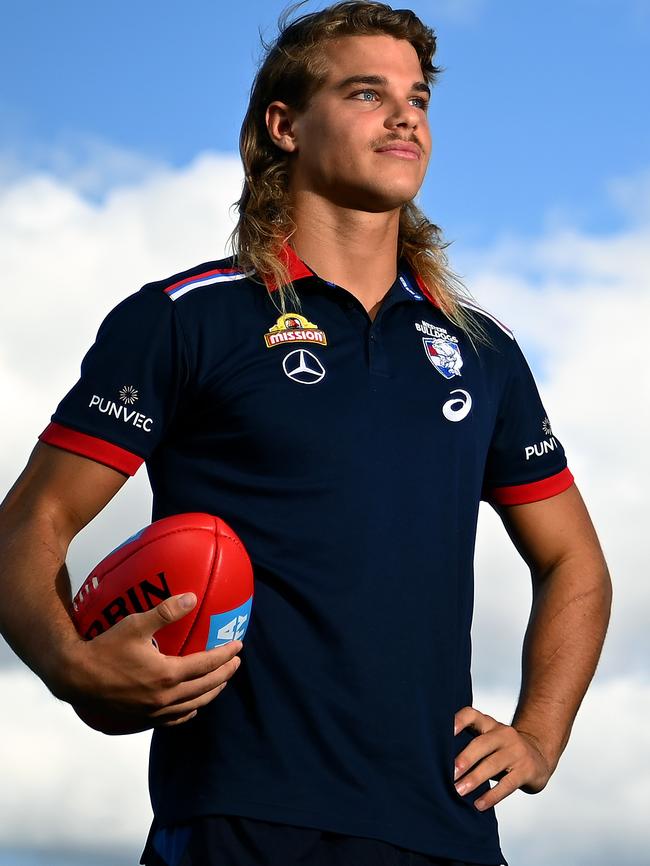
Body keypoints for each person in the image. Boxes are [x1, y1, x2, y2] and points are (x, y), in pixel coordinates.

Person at [0, 3, 612, 866]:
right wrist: (71, 665)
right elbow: (31, 523)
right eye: (368, 92)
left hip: (445, 826)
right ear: (284, 125)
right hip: (239, 820)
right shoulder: (186, 319)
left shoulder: (482, 352)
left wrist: (540, 734)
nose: (406, 115)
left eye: (420, 97)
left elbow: (574, 561)